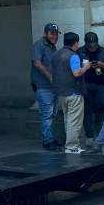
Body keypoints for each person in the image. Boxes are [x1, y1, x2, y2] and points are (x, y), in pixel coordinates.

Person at [51, 32, 91, 154]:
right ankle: (72, 146)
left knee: (68, 120)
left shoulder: (56, 54)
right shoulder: (73, 56)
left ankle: (73, 145)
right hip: (74, 93)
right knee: (74, 121)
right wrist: (86, 67)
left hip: (61, 93)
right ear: (76, 43)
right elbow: (76, 73)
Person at [77, 32, 104, 141]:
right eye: (90, 45)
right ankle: (89, 136)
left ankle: (100, 134)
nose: (92, 47)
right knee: (87, 111)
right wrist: (85, 67)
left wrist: (102, 65)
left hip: (101, 85)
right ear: (86, 44)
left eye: (94, 45)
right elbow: (75, 70)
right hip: (85, 85)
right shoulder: (79, 52)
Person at [31, 23, 60, 151]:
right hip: (43, 85)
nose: (54, 36)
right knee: (46, 114)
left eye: (56, 34)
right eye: (51, 33)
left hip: (53, 87)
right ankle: (47, 140)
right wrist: (50, 77)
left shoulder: (53, 47)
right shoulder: (39, 45)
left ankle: (50, 137)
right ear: (45, 33)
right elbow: (37, 63)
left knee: (52, 113)